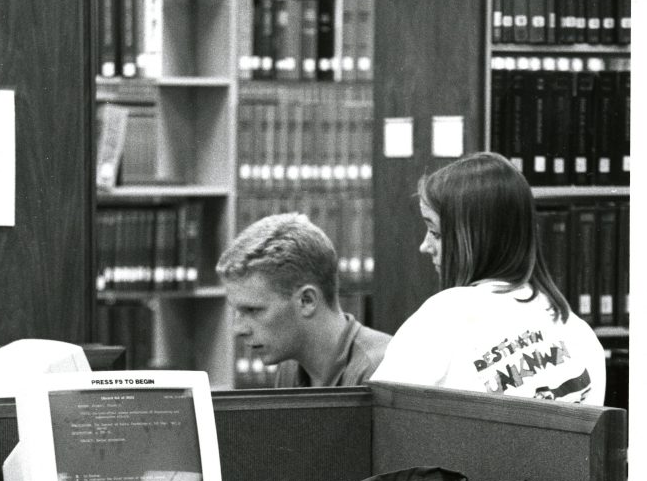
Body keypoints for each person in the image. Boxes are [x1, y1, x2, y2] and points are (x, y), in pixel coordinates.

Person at [371, 152, 606, 404]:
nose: (424, 246)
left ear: (474, 239)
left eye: (435, 232)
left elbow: (377, 421)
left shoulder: (443, 315)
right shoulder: (581, 334)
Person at [216, 212, 391, 387]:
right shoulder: (290, 367)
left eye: (253, 310)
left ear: (307, 300)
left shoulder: (384, 368)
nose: (238, 329)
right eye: (237, 311)